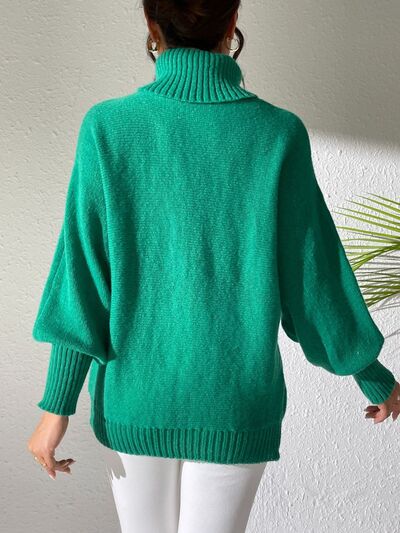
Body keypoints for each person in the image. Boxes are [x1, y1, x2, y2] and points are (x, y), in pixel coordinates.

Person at [27, 1, 400, 532]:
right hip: (236, 401)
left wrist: (55, 409)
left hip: (136, 397)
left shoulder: (107, 128)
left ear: (151, 24)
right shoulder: (277, 133)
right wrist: (371, 374)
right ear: (232, 21)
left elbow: (83, 280)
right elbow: (311, 278)